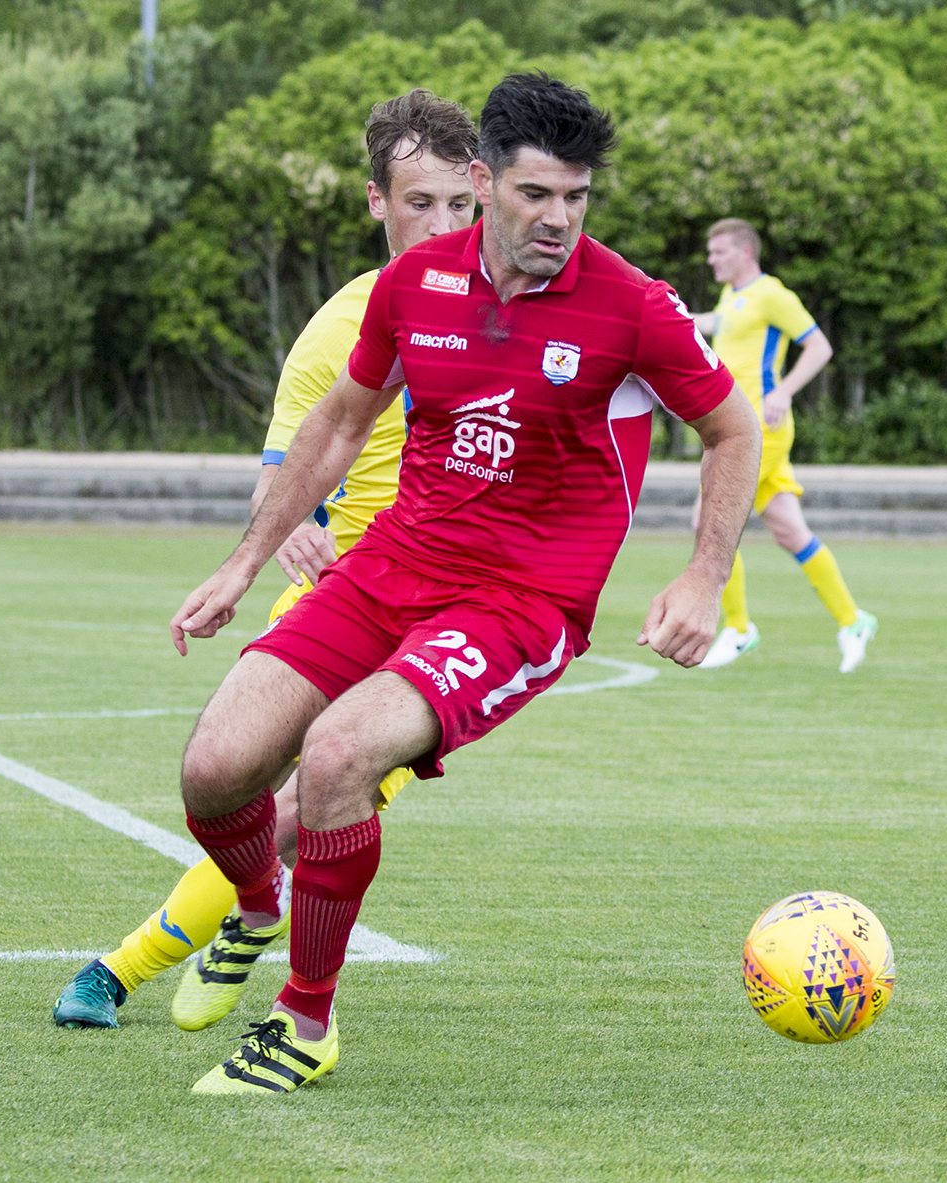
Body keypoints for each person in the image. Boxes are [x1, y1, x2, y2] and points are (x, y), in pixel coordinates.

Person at [166, 72, 761, 1094]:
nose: (560, 219)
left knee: (340, 754)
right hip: (392, 564)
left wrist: (705, 576)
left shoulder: (631, 306)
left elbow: (732, 428)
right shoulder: (416, 285)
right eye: (538, 195)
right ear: (486, 184)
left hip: (520, 603)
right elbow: (342, 424)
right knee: (214, 770)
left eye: (577, 197)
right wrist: (246, 557)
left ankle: (304, 1023)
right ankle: (258, 903)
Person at [52, 88, 479, 1031]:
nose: (444, 225)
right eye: (420, 203)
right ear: (377, 203)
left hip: (445, 627)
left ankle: (120, 967)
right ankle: (248, 913)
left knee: (296, 811)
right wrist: (288, 528)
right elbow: (284, 472)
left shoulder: (519, 314)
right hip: (345, 596)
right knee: (228, 780)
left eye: (461, 205)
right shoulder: (342, 329)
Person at [689, 217, 877, 673]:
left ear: (745, 253)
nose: (711, 259)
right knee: (792, 533)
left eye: (719, 252)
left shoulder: (773, 294)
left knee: (707, 518)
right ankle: (854, 621)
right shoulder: (734, 296)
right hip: (740, 427)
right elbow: (722, 321)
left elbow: (819, 347)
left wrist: (784, 390)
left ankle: (737, 628)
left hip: (759, 430)